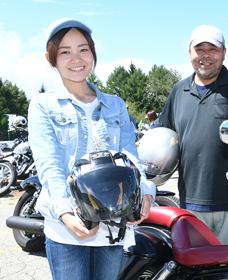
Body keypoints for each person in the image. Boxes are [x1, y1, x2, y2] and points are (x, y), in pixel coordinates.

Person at [28, 18, 156, 280]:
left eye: (83, 49)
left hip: (113, 224)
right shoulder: (43, 105)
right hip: (67, 227)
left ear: (93, 53)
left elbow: (130, 157)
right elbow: (49, 165)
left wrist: (144, 191)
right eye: (65, 51)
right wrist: (64, 212)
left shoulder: (115, 104)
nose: (76, 58)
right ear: (51, 58)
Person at [153, 25, 228, 245]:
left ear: (224, 53)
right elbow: (160, 132)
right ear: (190, 53)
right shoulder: (179, 91)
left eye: (213, 49)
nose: (205, 55)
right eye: (199, 49)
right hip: (190, 206)